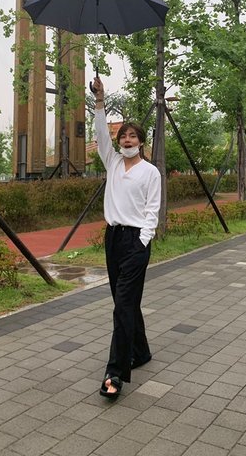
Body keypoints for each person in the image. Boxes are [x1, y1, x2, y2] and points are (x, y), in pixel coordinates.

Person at [92, 76, 161, 399]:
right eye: (123, 135)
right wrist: (100, 101)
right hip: (113, 239)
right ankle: (141, 351)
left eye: (133, 136)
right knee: (124, 303)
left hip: (135, 242)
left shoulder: (150, 172)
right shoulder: (113, 162)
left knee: (122, 308)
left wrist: (142, 242)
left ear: (141, 142)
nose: (127, 139)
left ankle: (115, 374)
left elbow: (152, 210)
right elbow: (99, 134)